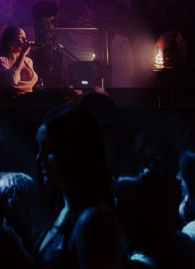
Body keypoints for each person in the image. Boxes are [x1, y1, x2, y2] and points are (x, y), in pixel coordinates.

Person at [34, 105, 121, 269]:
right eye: (39, 148)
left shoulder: (93, 220)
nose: (39, 157)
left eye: (48, 149)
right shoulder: (64, 209)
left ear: (73, 151)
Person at [0, 26, 38, 93]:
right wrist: (22, 54)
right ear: (9, 42)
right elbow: (12, 80)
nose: (25, 41)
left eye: (25, 38)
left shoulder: (28, 61)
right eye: (20, 37)